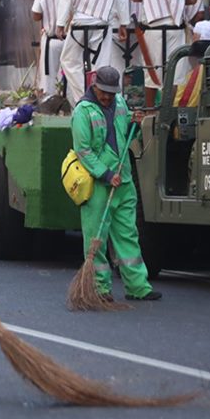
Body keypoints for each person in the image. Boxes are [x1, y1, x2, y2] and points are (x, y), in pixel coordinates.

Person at [70, 66, 159, 302]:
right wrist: (106, 174)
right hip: (99, 184)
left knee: (128, 234)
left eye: (111, 92)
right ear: (94, 85)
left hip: (124, 180)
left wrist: (135, 125)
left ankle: (138, 286)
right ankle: (100, 288)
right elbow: (83, 151)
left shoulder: (120, 104)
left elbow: (126, 134)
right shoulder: (83, 111)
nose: (107, 96)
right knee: (96, 238)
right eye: (103, 92)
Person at [31, 0, 69, 100]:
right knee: (72, 78)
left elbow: (35, 14)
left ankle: (50, 107)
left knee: (49, 80)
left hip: (51, 40)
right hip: (72, 40)